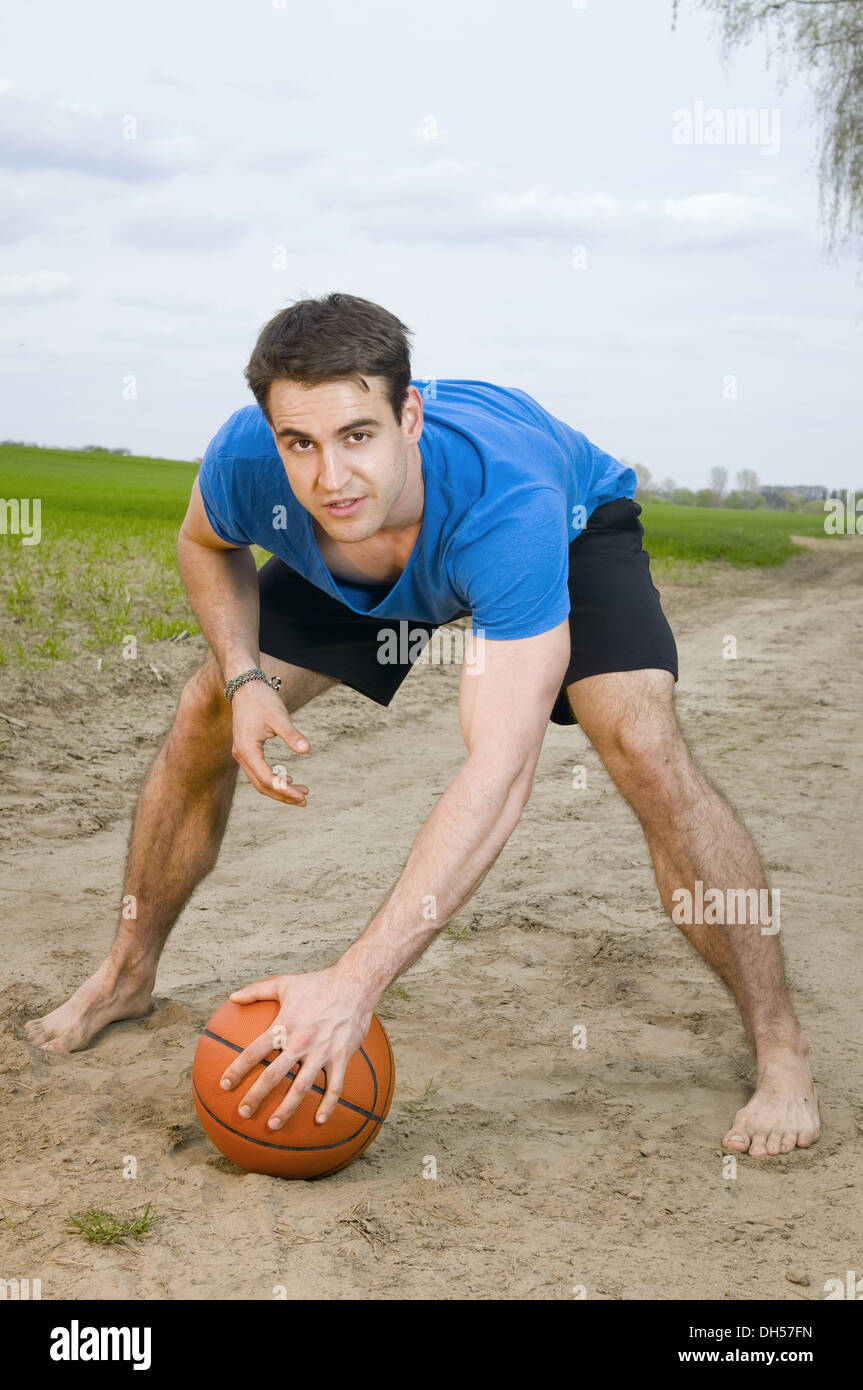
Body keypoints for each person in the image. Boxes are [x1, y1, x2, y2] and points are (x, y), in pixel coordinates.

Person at [26, 292, 819, 1158]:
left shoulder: (507, 504)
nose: (331, 476)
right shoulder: (249, 460)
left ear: (409, 414)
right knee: (205, 707)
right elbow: (204, 544)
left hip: (560, 532)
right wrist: (245, 676)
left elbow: (500, 770)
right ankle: (126, 975)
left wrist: (353, 983)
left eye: (357, 435)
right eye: (301, 443)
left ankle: (780, 1051)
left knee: (642, 746)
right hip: (363, 558)